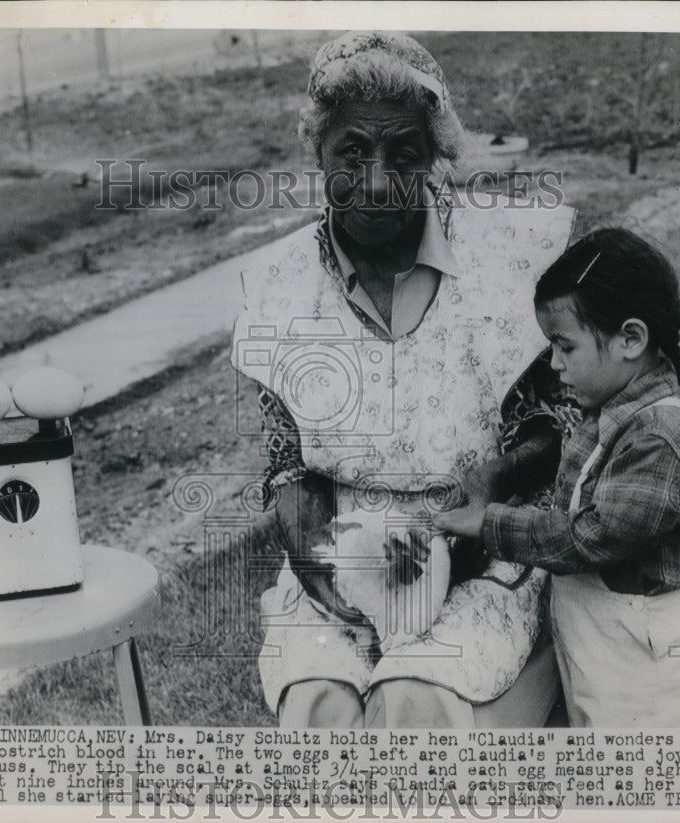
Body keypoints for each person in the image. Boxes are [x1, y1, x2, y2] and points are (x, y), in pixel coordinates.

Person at [230, 31, 578, 728]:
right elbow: (287, 463)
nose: (379, 179)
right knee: (321, 710)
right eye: (353, 152)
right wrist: (315, 556)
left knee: (410, 710)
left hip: (480, 557)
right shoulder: (279, 285)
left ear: (435, 159)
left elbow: (544, 431)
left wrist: (491, 483)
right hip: (340, 559)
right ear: (317, 152)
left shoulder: (503, 263)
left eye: (405, 154)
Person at [433, 228, 680, 727]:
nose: (554, 363)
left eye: (564, 346)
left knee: (644, 788)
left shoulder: (661, 434)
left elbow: (591, 537)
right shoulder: (610, 403)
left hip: (644, 660)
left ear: (631, 339)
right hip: (606, 638)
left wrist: (490, 523)